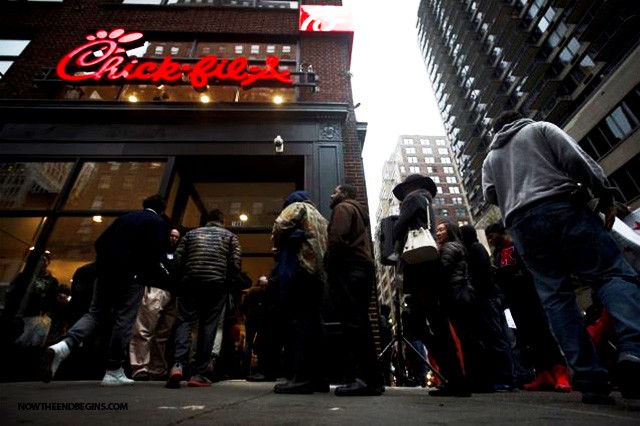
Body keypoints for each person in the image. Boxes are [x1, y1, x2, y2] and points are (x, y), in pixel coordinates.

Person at [482, 110, 640, 404]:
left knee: (556, 297)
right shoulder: (540, 129)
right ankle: (634, 350)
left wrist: (514, 189)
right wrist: (604, 193)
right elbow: (577, 161)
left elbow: (491, 194)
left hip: (522, 227)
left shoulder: (491, 159)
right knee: (610, 273)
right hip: (562, 207)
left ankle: (590, 378)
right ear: (522, 119)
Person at [40, 194, 170, 386]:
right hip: (131, 277)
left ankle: (62, 346)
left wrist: (104, 265)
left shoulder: (124, 218)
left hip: (105, 273)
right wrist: (157, 271)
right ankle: (113, 369)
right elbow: (159, 252)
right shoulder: (156, 221)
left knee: (95, 314)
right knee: (124, 319)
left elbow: (100, 243)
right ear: (161, 209)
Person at [392, 174, 470, 397]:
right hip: (429, 263)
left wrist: (395, 229)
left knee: (429, 324)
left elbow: (399, 229)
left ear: (411, 186)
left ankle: (455, 378)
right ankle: (455, 377)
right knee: (434, 321)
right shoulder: (426, 200)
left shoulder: (412, 198)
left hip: (418, 266)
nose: (403, 194)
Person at [484, 222, 571, 393]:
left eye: (491, 235)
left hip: (530, 296)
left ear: (500, 233)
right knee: (525, 338)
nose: (490, 240)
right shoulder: (498, 253)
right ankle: (542, 373)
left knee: (543, 334)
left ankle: (560, 373)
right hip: (512, 301)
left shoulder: (517, 245)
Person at [166, 209, 241, 389]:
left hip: (190, 283)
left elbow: (177, 260)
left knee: (184, 322)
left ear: (206, 221)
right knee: (209, 326)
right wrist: (227, 282)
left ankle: (177, 365)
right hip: (216, 285)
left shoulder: (191, 234)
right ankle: (199, 373)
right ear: (222, 220)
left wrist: (181, 279)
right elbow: (235, 264)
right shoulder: (230, 236)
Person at [325, 184, 384, 396]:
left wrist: (329, 266)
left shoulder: (342, 208)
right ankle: (374, 380)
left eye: (336, 191)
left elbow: (337, 240)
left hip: (348, 269)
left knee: (354, 325)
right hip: (361, 270)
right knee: (361, 324)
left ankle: (364, 380)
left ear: (345, 194)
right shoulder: (358, 212)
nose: (332, 194)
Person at [271, 190, 329, 394]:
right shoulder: (321, 217)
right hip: (319, 274)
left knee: (300, 323)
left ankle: (301, 378)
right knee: (316, 324)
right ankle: (320, 379)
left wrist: (278, 243)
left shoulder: (298, 207)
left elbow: (279, 225)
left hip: (301, 269)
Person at [459, 224, 514, 392]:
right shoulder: (477, 248)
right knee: (494, 338)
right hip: (487, 299)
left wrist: (476, 296)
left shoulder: (475, 249)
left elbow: (481, 277)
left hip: (487, 300)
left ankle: (506, 378)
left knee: (495, 338)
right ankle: (504, 377)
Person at [129, 228, 181, 381]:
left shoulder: (178, 254)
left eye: (176, 236)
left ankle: (157, 369)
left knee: (162, 334)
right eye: (171, 235)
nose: (173, 239)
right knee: (144, 330)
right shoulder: (158, 249)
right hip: (155, 289)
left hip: (172, 294)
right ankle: (140, 368)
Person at [241, 275, 269, 378]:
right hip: (262, 320)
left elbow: (243, 307)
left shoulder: (250, 292)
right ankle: (260, 368)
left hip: (250, 320)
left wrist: (246, 316)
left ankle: (245, 369)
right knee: (261, 343)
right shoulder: (266, 292)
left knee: (248, 343)